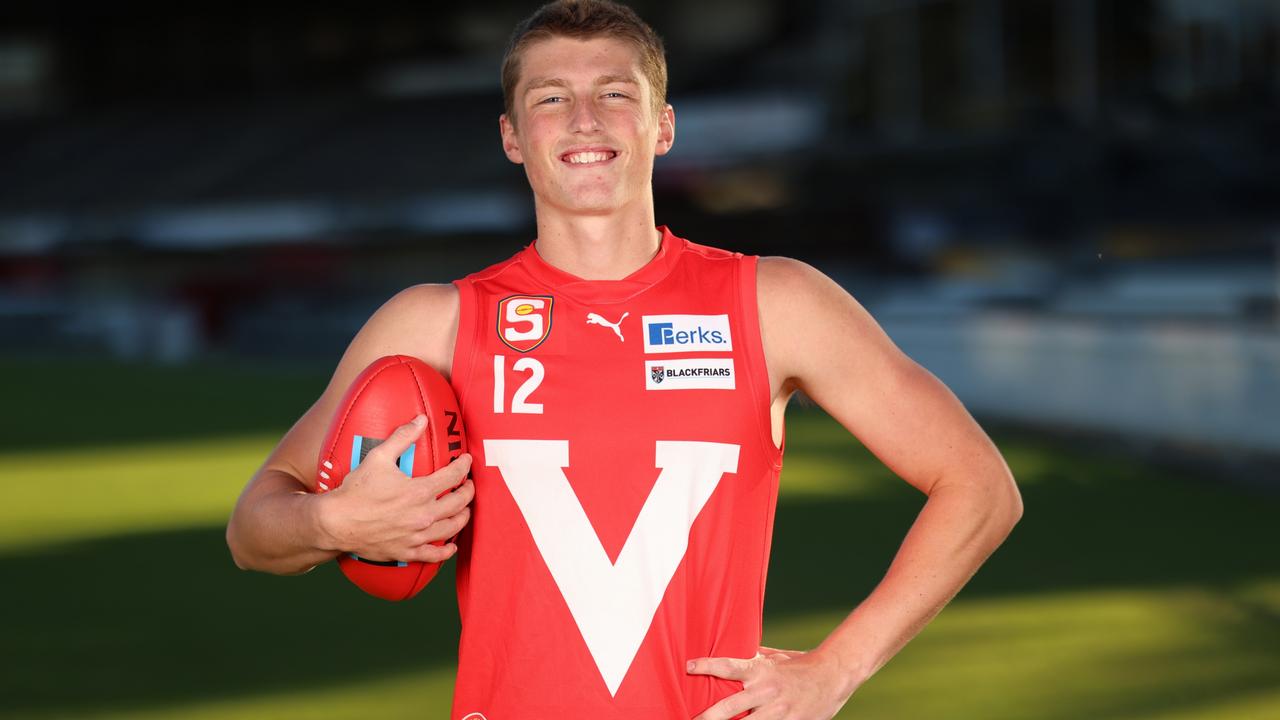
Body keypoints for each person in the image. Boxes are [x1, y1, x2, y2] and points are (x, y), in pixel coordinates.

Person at [225, 1, 1024, 718]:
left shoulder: (774, 303)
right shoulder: (433, 322)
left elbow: (980, 487)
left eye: (614, 93)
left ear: (663, 125)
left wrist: (839, 668)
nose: (583, 119)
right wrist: (332, 520)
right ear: (512, 136)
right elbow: (253, 530)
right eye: (549, 98)